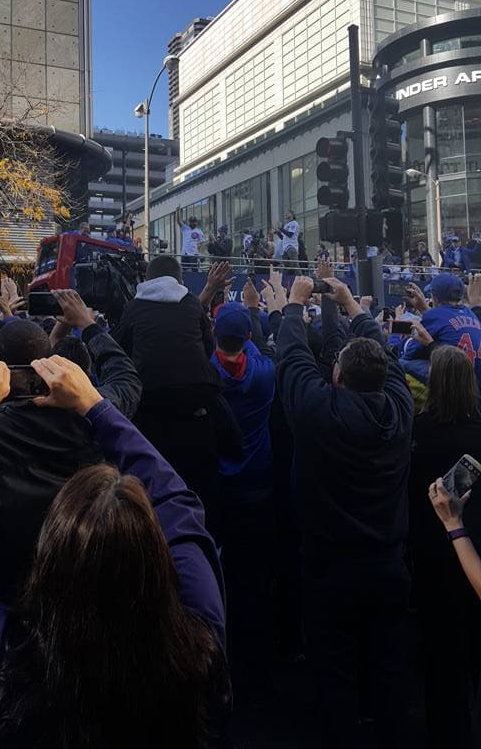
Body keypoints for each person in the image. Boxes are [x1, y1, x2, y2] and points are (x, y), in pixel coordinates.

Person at [0, 344, 228, 747]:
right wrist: (95, 405)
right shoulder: (198, 639)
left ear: (46, 561)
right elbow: (177, 501)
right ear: (155, 553)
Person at [276, 275, 413, 749]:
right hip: (388, 563)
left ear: (336, 375)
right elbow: (386, 356)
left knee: (333, 676)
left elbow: (292, 359)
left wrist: (294, 305)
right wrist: (353, 306)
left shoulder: (316, 413)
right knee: (390, 671)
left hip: (329, 565)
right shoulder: (400, 410)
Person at [0, 293, 142, 602]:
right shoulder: (90, 416)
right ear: (44, 365)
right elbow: (126, 379)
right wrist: (88, 326)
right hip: (81, 590)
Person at [113, 256, 240, 538]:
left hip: (149, 408)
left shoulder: (134, 307)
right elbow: (208, 346)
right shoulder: (191, 304)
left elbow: (118, 349)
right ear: (179, 281)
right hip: (196, 406)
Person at [410, 344, 481, 748]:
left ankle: (443, 727)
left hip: (433, 552)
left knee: (439, 644)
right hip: (474, 551)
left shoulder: (418, 431)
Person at [211, 282, 275, 700]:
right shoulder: (264, 374)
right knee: (256, 583)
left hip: (219, 493)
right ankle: (258, 674)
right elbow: (254, 350)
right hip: (258, 489)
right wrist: (254, 310)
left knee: (220, 580)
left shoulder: (203, 372)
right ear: (248, 338)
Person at [403, 274, 481, 387]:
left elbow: (410, 353)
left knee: (401, 363)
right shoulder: (471, 313)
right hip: (474, 382)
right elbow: (447, 320)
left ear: (435, 298)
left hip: (454, 380)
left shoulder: (434, 315)